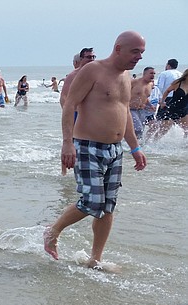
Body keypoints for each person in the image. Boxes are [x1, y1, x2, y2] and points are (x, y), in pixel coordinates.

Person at [43, 31, 147, 272]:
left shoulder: (126, 76)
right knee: (91, 201)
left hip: (114, 149)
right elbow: (69, 105)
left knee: (107, 207)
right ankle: (52, 231)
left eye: (142, 52)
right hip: (87, 146)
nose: (139, 57)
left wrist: (135, 148)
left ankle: (95, 259)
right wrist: (67, 143)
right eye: (135, 51)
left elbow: (125, 115)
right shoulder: (93, 71)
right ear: (118, 48)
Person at [151, 68, 188, 140]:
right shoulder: (178, 83)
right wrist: (162, 102)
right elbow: (167, 91)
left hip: (183, 110)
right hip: (172, 109)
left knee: (187, 130)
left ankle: (185, 145)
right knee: (163, 130)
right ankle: (153, 143)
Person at [128, 66, 156, 139]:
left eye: (154, 73)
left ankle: (135, 145)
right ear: (144, 74)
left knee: (141, 130)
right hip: (130, 109)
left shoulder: (151, 85)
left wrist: (150, 105)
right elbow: (123, 92)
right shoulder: (134, 82)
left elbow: (145, 97)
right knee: (138, 128)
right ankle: (133, 145)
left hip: (141, 110)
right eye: (151, 73)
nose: (153, 75)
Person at [153, 59, 181, 125]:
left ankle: (158, 134)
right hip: (178, 99)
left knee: (160, 118)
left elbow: (160, 87)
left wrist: (160, 99)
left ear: (168, 65)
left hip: (167, 98)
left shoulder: (164, 73)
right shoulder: (181, 74)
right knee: (175, 119)